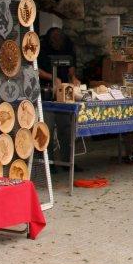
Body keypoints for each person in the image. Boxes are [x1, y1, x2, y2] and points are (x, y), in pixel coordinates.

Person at [38, 27, 80, 170]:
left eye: (59, 39)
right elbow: (35, 69)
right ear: (49, 39)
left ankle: (68, 163)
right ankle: (49, 165)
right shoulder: (42, 48)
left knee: (66, 129)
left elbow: (71, 67)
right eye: (54, 39)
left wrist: (73, 78)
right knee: (47, 130)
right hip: (47, 95)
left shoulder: (67, 46)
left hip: (64, 96)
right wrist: (52, 78)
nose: (57, 42)